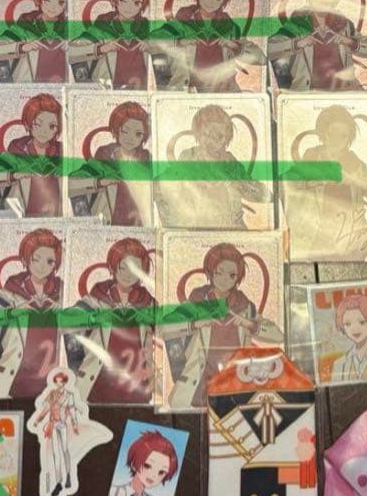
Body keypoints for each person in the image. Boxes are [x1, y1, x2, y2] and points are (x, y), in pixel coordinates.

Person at [167, 243, 283, 409]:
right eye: (219, 272)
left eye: (231, 275)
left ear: (238, 278)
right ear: (210, 272)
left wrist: (249, 324)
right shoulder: (197, 302)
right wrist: (194, 324)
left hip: (236, 387)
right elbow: (166, 327)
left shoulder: (244, 306)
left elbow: (278, 336)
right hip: (197, 389)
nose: (224, 279)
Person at [286, 105, 367, 259]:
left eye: (343, 136)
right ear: (323, 133)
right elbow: (286, 182)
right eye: (333, 133)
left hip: (350, 245)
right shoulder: (312, 156)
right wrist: (312, 181)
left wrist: (354, 181)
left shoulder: (355, 165)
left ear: (348, 139)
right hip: (316, 243)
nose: (337, 140)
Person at [68, 238, 156, 404]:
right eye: (123, 268)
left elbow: (169, 328)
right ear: (113, 267)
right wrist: (93, 318)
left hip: (137, 386)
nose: (128, 275)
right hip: (98, 384)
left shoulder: (147, 302)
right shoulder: (97, 298)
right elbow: (68, 319)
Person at [155, 105, 271, 229]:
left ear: (228, 136)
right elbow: (157, 187)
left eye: (219, 136)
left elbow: (264, 196)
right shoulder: (187, 160)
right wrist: (177, 226)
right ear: (198, 135)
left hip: (232, 231)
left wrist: (242, 185)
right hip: (197, 232)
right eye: (207, 135)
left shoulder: (231, 164)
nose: (213, 141)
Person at [0, 228, 63, 399]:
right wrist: (11, 313)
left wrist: (63, 311)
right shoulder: (13, 289)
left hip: (54, 378)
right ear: (26, 259)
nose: (42, 266)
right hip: (14, 376)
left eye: (49, 261)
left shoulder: (62, 290)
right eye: (36, 259)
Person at [268, 0, 367, 90]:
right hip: (308, 96)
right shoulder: (298, 24)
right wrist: (298, 43)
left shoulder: (344, 25)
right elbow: (269, 49)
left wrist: (349, 42)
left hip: (345, 94)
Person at [158, 0, 265, 92]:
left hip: (223, 93)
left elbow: (261, 59)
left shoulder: (228, 26)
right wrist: (179, 42)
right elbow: (153, 41)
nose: (211, 2)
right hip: (188, 94)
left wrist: (235, 46)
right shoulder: (183, 21)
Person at [0, 93, 64, 217]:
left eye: (52, 126)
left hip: (57, 215)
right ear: (28, 123)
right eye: (38, 124)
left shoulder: (62, 151)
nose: (44, 131)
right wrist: (13, 175)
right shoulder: (18, 149)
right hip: (23, 216)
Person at [72, 101, 151, 226]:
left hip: (140, 224)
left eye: (138, 134)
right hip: (108, 224)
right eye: (125, 131)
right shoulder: (104, 156)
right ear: (115, 130)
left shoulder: (147, 160)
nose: (131, 138)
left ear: (144, 136)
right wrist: (99, 182)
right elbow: (72, 182)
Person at [71, 0, 151, 89]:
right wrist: (100, 49)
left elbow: (172, 51)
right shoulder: (102, 28)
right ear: (114, 0)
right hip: (107, 93)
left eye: (136, 2)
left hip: (143, 93)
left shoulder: (148, 29)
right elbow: (70, 52)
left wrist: (152, 47)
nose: (130, 7)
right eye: (124, 0)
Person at [0, 0, 68, 83]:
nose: (54, 7)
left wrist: (72, 49)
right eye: (48, 0)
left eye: (61, 2)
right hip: (29, 86)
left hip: (63, 87)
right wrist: (21, 48)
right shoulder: (25, 25)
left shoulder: (70, 27)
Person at [108, 430, 179, 496]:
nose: (153, 475)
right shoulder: (112, 493)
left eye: (161, 472)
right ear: (133, 464)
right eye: (147, 466)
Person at [32, 372, 80, 496]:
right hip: (53, 424)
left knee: (65, 450)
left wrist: (75, 424)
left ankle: (68, 475)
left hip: (63, 424)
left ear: (64, 382)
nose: (59, 383)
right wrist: (37, 420)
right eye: (57, 381)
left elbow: (72, 411)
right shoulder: (52, 394)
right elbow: (46, 409)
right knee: (55, 453)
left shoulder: (69, 395)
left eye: (61, 381)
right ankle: (59, 482)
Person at [329, 293, 367, 382]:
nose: (355, 329)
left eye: (362, 322)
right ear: (343, 327)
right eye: (348, 324)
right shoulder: (339, 364)